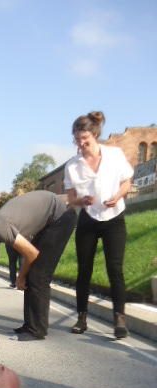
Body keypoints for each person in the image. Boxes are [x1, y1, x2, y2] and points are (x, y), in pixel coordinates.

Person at [0, 191, 77, 341]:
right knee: (32, 274)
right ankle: (30, 325)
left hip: (61, 217)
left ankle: (36, 330)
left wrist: (20, 277)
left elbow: (32, 254)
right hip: (49, 221)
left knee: (38, 276)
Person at [64, 111, 134, 339]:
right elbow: (70, 197)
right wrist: (80, 200)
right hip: (88, 219)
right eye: (77, 139)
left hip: (114, 217)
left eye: (84, 138)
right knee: (84, 270)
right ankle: (81, 317)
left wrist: (118, 196)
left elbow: (127, 181)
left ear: (94, 134)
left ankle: (119, 320)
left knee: (115, 269)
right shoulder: (72, 166)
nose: (81, 143)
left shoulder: (114, 154)